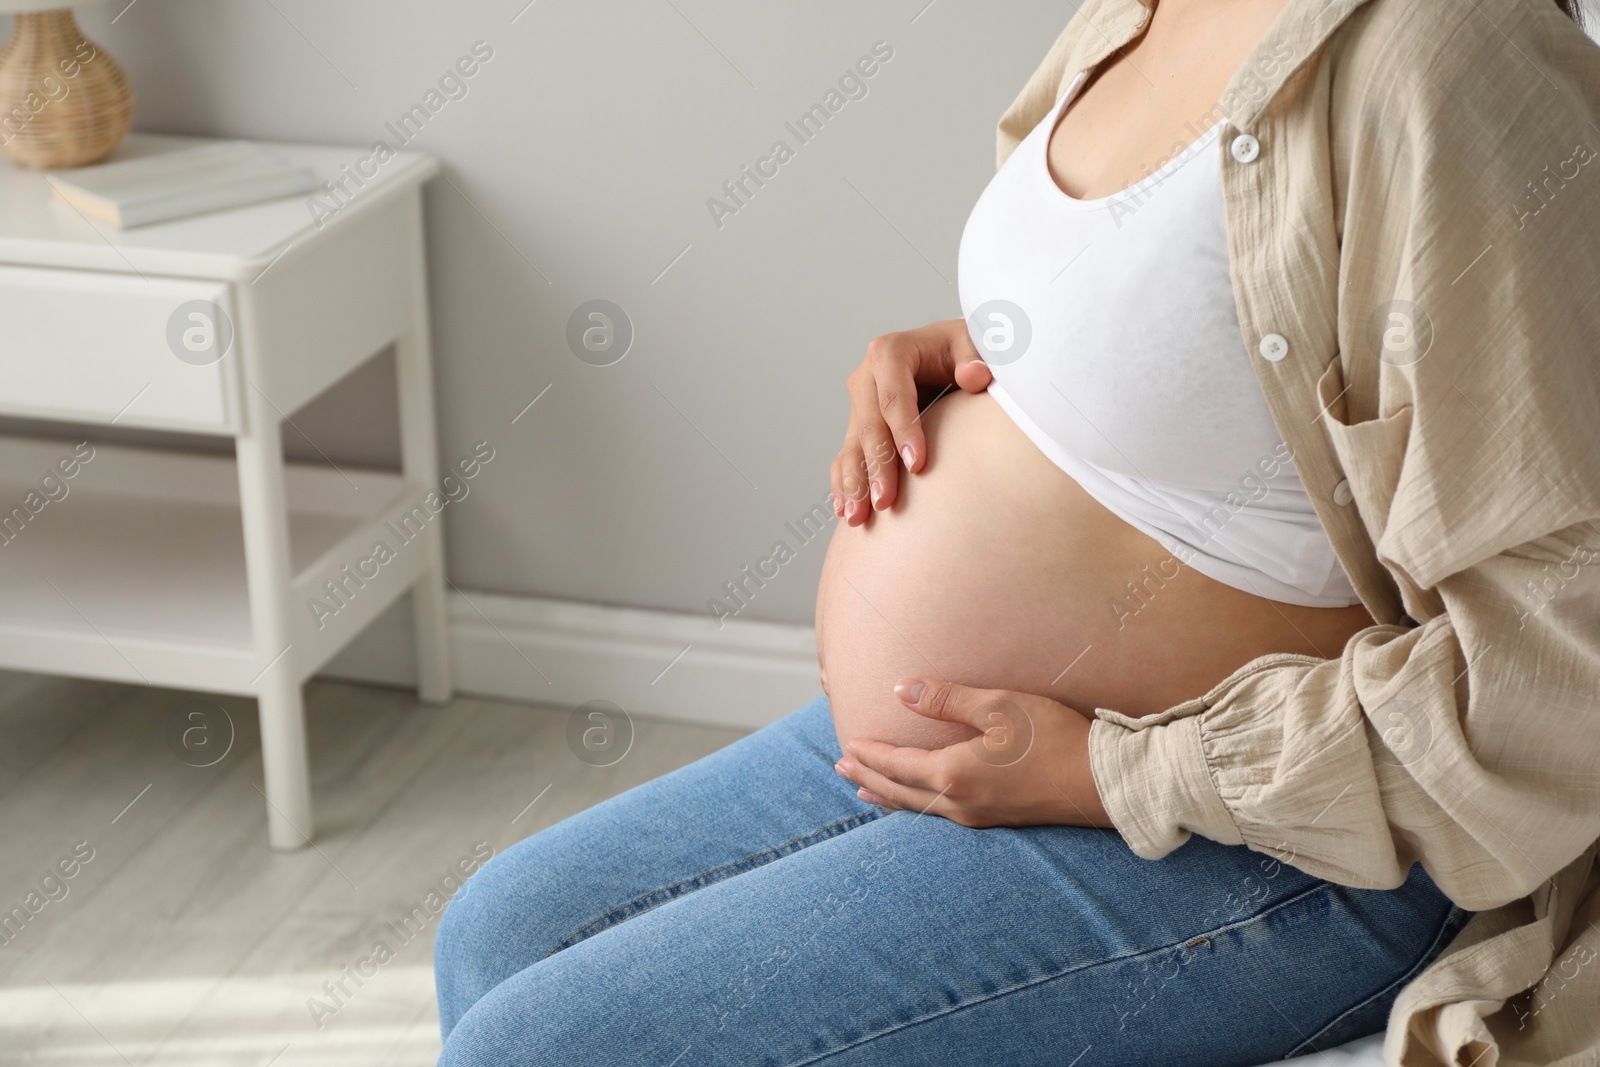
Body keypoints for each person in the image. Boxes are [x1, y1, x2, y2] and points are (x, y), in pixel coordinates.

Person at [435, 0, 1600, 1062]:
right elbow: (1234, 309)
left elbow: (1562, 667)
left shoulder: (1452, 48)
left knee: (534, 1049)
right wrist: (1002, 346)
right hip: (987, 746)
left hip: (1277, 832)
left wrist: (1113, 771)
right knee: (494, 930)